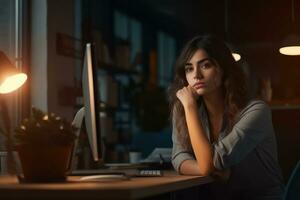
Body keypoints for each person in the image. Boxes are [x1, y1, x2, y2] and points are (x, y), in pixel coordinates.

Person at [168, 35, 284, 200]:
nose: (196, 75)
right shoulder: (186, 108)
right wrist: (206, 169)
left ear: (224, 69)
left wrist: (190, 107)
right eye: (189, 69)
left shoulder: (257, 111)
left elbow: (210, 162)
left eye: (206, 65)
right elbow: (179, 156)